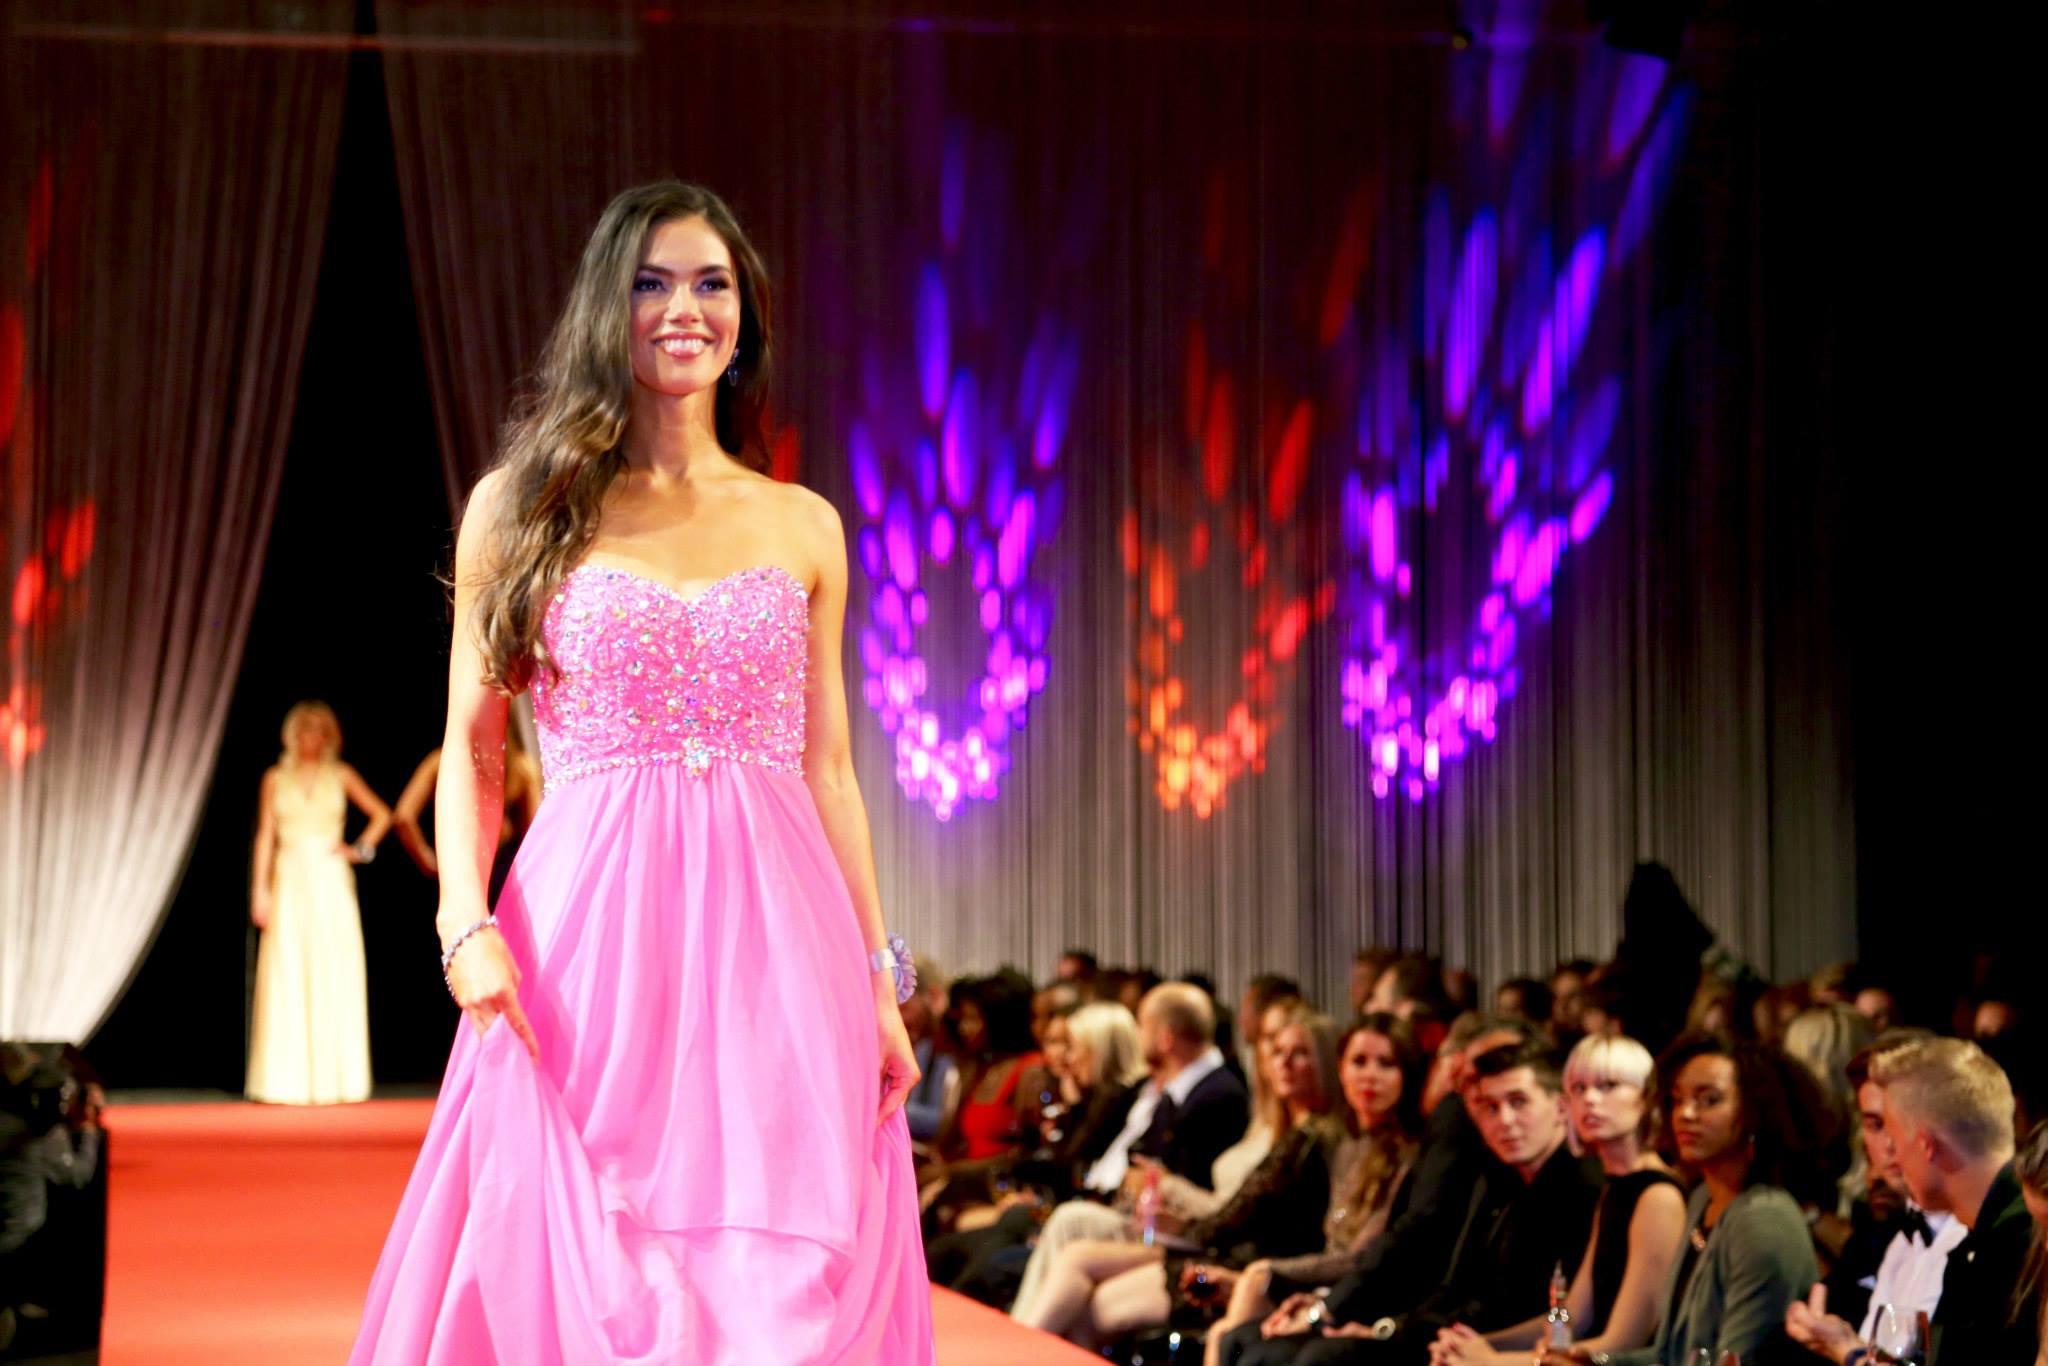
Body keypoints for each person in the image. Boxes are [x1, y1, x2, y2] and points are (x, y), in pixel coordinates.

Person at [347, 182, 934, 1364]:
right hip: (587, 940)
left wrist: (879, 981)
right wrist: (463, 925)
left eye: (711, 283)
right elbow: (472, 747)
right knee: (585, 1251)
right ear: (603, 308)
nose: (683, 309)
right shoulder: (520, 506)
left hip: (780, 943)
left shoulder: (804, 523)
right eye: (650, 283)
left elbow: (828, 770)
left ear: (744, 314)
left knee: (774, 1262)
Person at [1231, 1038, 1605, 1365]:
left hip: (1512, 1349)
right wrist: (1389, 1328)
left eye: (1518, 1102)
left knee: (1318, 1357)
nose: (1505, 1120)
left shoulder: (1582, 1188)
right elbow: (1454, 1286)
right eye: (1490, 1108)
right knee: (1257, 1343)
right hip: (1452, 1337)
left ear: (1561, 1107)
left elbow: (1562, 1317)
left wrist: (1402, 1334)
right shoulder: (1498, 1180)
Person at [1014, 1009, 1343, 1350]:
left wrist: (1180, 1225)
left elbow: (1240, 1216)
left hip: (1235, 1260)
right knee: (1076, 1259)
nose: (1284, 1063)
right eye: (1278, 1052)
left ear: (1326, 1064)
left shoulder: (1308, 1137)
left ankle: (1015, 1351)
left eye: (1300, 1053)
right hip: (1212, 1244)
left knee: (1090, 1304)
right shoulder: (1277, 1127)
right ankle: (1012, 1349)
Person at [1575, 1032, 1840, 1366]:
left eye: (1709, 1100)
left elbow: (1734, 1361)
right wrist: (1593, 1362)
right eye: (1677, 1099)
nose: (1685, 1113)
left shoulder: (1763, 1219)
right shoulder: (1703, 1198)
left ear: (1755, 1110)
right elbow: (1669, 1355)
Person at [1430, 1034, 1684, 1364]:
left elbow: (1620, 1343)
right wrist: (1473, 1345)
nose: (1590, 1099)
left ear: (1646, 1097)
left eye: (1608, 1085)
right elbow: (1570, 1317)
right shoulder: (1617, 1188)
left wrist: (1492, 1360)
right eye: (1579, 1088)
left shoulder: (1657, 1196)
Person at [1786, 1031, 1964, 1363]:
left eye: (1903, 1119)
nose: (1892, 1142)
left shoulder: (1978, 1235)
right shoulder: (1900, 1241)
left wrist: (1847, 1350)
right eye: (1876, 1124)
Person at [247, 700, 390, 1106]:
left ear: (328, 736)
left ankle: (336, 1079)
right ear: (292, 735)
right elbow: (265, 835)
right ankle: (285, 1080)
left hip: (330, 880)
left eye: (318, 729)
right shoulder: (275, 778)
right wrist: (260, 890)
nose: (310, 737)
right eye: (304, 729)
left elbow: (382, 814)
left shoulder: (341, 775)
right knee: (289, 968)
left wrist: (359, 850)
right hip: (290, 878)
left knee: (332, 967)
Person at [1874, 1037, 2037, 1364]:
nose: (1893, 1155)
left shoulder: (2025, 1242)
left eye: (1893, 1136)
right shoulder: (1985, 1241)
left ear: (1926, 1145)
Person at [389, 730, 542, 901]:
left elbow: (404, 817)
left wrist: (428, 860)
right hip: (503, 870)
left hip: (458, 866)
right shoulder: (522, 767)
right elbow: (534, 832)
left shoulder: (442, 762)